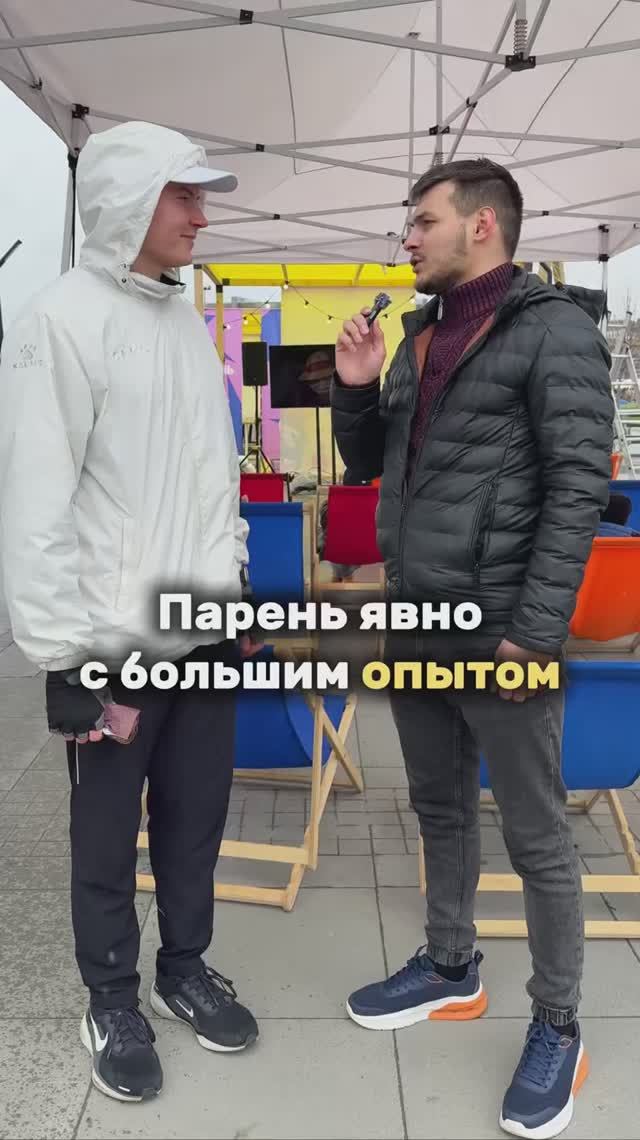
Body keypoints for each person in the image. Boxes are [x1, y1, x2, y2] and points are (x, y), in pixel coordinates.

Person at [331, 157, 614, 1139]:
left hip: (502, 631)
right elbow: (369, 466)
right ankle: (450, 968)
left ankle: (558, 1026)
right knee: (440, 808)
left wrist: (534, 633)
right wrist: (356, 390)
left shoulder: (554, 330)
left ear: (482, 225)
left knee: (537, 837)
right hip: (417, 622)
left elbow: (579, 489)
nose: (407, 238)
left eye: (422, 220)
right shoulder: (417, 338)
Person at [0, 120, 260, 1104]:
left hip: (202, 636)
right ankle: (111, 997)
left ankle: (183, 967)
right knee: (107, 839)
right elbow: (34, 504)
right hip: (114, 645)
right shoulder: (58, 322)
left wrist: (234, 593)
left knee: (196, 823)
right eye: (183, 195)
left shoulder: (183, 323)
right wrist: (64, 658)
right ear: (126, 201)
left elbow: (213, 485)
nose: (201, 215)